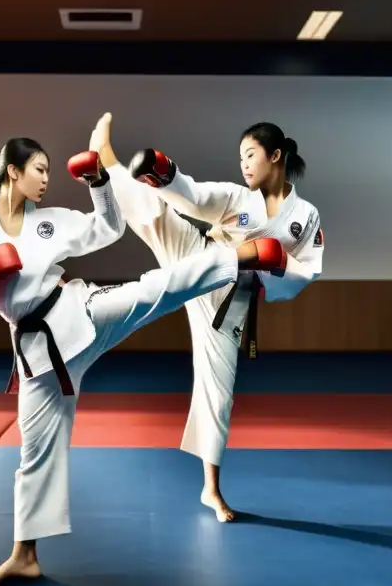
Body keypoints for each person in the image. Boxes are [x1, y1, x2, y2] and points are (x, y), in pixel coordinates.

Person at [0, 134, 290, 586]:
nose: (46, 178)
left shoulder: (49, 222)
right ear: (12, 172)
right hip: (40, 358)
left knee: (154, 290)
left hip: (78, 313)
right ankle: (24, 555)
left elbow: (108, 228)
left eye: (49, 170)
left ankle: (236, 258)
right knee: (35, 455)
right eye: (39, 169)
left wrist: (100, 183)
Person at [89, 114, 324, 522]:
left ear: (276, 155)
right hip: (202, 256)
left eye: (250, 155)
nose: (244, 165)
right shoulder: (238, 198)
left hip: (229, 302)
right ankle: (106, 162)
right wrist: (164, 176)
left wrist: (278, 263)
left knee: (218, 392)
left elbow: (308, 271)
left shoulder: (306, 216)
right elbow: (195, 197)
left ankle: (210, 490)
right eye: (240, 158)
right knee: (156, 215)